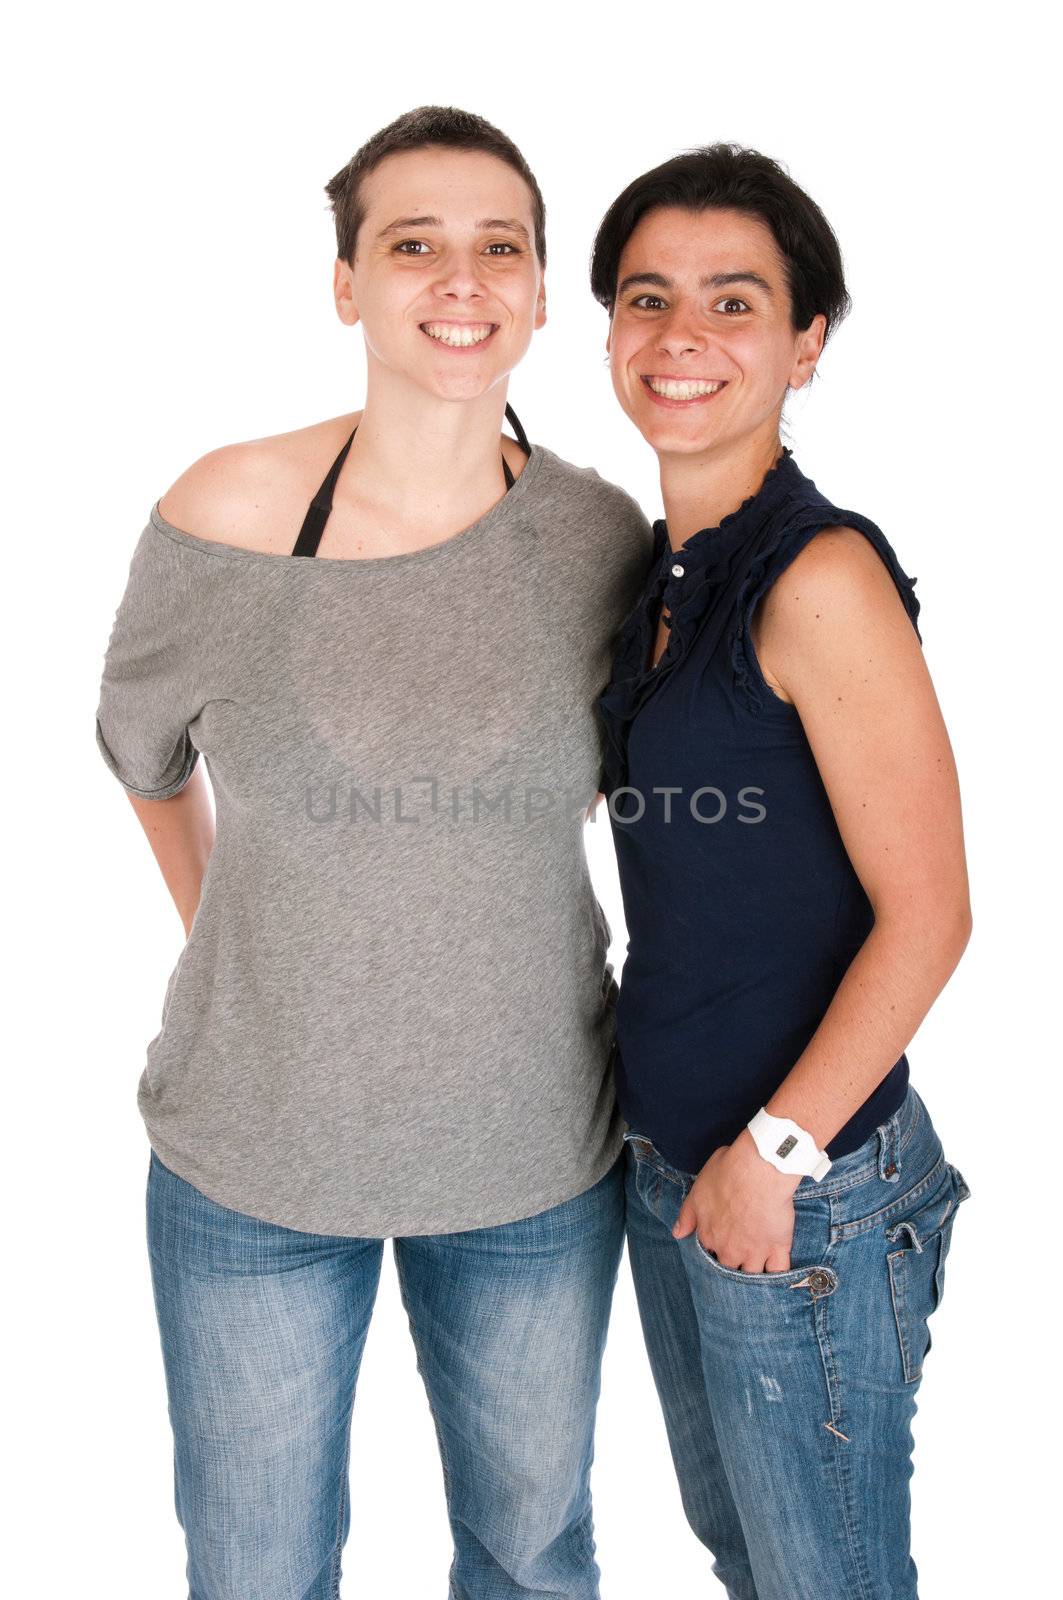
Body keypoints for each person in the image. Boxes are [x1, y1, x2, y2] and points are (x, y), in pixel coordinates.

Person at [94, 105, 652, 1600]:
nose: (458, 281)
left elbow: (633, 799)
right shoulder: (225, 515)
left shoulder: (604, 543)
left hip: (532, 1150)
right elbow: (142, 752)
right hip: (252, 1155)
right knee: (257, 1567)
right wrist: (242, 940)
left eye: (500, 250)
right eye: (414, 246)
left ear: (542, 294)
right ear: (347, 283)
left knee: (533, 1555)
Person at [590, 144, 972, 1598]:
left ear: (808, 343)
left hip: (802, 1191)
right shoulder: (661, 576)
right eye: (648, 297)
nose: (682, 336)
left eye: (736, 303)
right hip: (673, 1171)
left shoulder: (817, 580)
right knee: (753, 1564)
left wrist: (779, 1154)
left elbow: (932, 914)